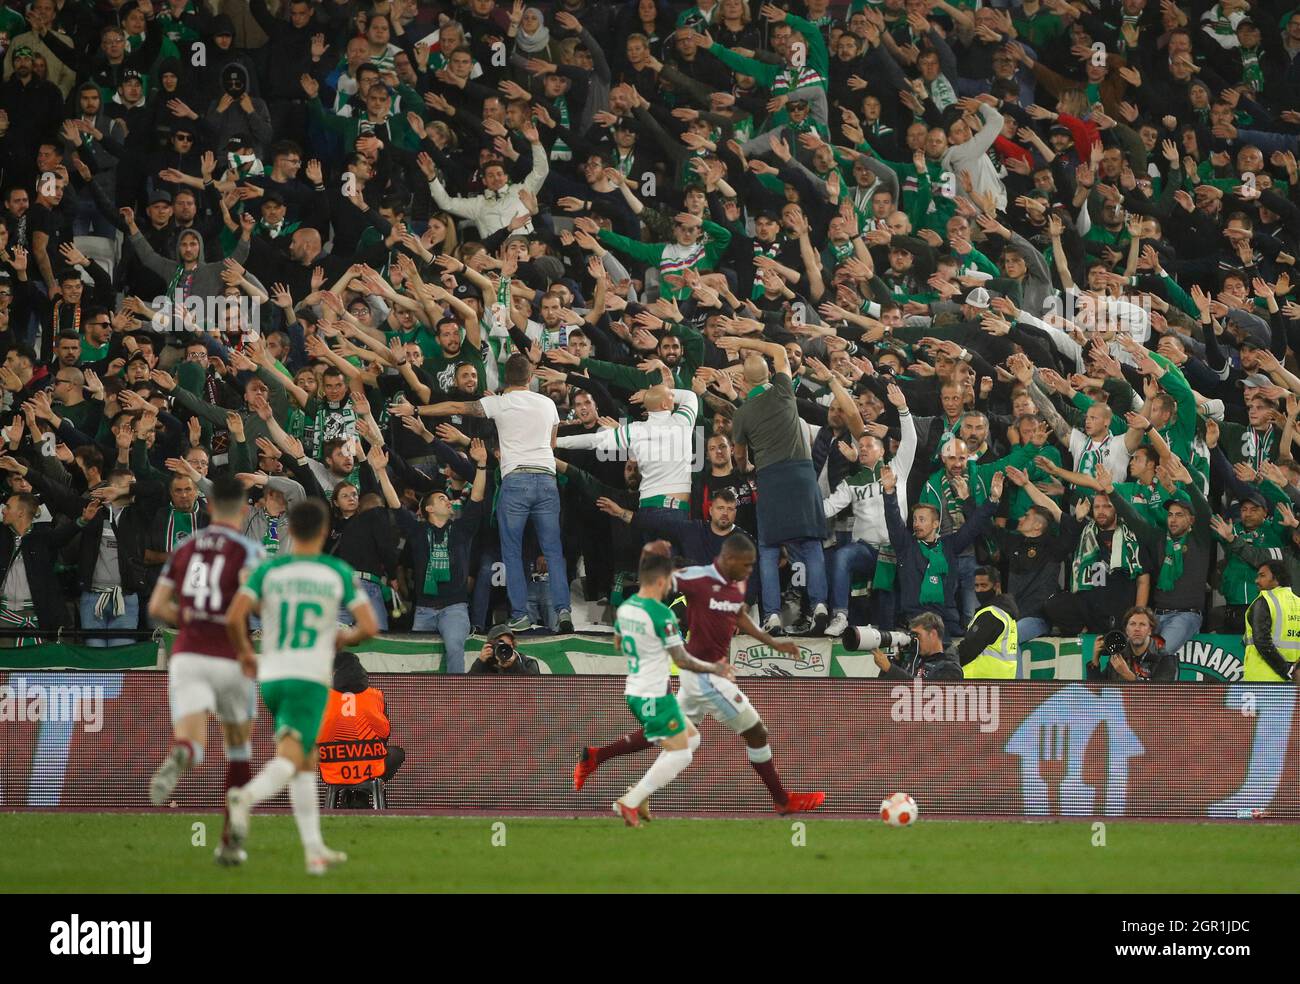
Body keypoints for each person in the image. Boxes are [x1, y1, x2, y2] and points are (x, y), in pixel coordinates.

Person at [574, 532, 825, 814]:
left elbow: (739, 613)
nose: (749, 571)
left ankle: (599, 760)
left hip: (697, 676)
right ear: (728, 559)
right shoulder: (697, 578)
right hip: (707, 677)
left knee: (667, 735)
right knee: (756, 732)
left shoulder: (735, 584)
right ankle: (782, 800)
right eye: (746, 565)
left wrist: (772, 642)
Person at [225, 499, 380, 875]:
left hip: (273, 675)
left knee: (305, 760)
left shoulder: (270, 570)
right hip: (309, 676)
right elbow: (369, 627)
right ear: (325, 532)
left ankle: (314, 849)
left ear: (289, 531)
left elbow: (234, 616)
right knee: (295, 758)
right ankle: (245, 797)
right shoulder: (335, 570)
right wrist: (343, 639)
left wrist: (246, 653)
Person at [146, 477, 262, 865]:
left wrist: (193, 617)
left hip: (189, 652)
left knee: (194, 741)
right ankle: (230, 840)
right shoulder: (248, 549)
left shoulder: (184, 546)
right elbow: (248, 606)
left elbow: (157, 606)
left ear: (207, 508)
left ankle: (183, 752)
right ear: (243, 511)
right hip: (231, 655)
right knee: (238, 750)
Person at [420, 353, 574, 634]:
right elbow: (552, 444)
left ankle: (519, 615)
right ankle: (563, 610)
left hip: (515, 481)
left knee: (512, 551)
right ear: (529, 378)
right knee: (553, 550)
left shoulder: (499, 402)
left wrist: (418, 411)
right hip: (546, 479)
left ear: (505, 379)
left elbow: (456, 405)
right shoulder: (548, 403)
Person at [603, 542, 733, 826]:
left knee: (692, 738)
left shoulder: (626, 608)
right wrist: (716, 668)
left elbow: (617, 645)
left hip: (636, 690)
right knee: (683, 753)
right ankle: (630, 801)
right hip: (652, 694)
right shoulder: (663, 615)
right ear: (661, 581)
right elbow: (683, 660)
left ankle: (639, 795)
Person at [722, 335, 830, 636]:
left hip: (771, 478)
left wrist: (747, 469)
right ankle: (820, 606)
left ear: (743, 380)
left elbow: (740, 456)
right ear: (769, 375)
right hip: (802, 474)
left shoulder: (741, 413)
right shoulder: (783, 389)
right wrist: (750, 339)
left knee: (769, 549)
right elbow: (780, 349)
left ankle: (770, 617)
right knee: (811, 545)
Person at [397, 439, 489, 673]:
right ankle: (416, 705)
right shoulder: (418, 531)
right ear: (427, 509)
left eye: (447, 499)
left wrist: (481, 466)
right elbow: (394, 504)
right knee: (416, 659)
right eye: (441, 499)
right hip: (424, 609)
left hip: (455, 608)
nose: (447, 500)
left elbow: (477, 498)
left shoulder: (460, 529)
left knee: (455, 648)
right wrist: (379, 470)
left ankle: (455, 701)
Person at [317, 651, 405, 807]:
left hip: (333, 768)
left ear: (335, 673)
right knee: (397, 753)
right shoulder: (375, 695)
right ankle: (362, 794)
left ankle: (345, 795)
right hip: (369, 766)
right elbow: (384, 734)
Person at [1241, 560, 1300, 683]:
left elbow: (1262, 641)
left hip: (1262, 678)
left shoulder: (1264, 601)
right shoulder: (1298, 602)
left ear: (1276, 578)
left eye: (1262, 576)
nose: (1256, 580)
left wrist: (1287, 670)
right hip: (1293, 682)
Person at [958, 570, 1021, 679]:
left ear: (996, 586)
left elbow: (969, 648)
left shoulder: (991, 614)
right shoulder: (1006, 612)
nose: (979, 590)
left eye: (984, 585)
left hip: (980, 682)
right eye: (976, 586)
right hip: (1000, 680)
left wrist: (948, 660)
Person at [1086, 607, 1178, 682]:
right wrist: (1095, 660)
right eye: (1132, 624)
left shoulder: (1165, 658)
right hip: (1121, 704)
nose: (1137, 628)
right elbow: (1097, 691)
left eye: (1142, 624)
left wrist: (1128, 675)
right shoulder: (1120, 654)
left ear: (1150, 630)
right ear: (1126, 630)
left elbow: (1160, 696)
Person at [871, 611, 962, 680]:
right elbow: (883, 689)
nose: (914, 640)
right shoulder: (913, 660)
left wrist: (890, 669)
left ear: (933, 634)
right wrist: (895, 662)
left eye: (917, 635)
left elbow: (929, 694)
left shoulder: (950, 667)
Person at [471, 624, 542, 675]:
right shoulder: (485, 664)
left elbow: (535, 689)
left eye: (507, 645)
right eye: (500, 645)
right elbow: (467, 689)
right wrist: (480, 661)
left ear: (513, 645)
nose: (503, 649)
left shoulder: (527, 663)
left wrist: (514, 665)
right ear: (490, 646)